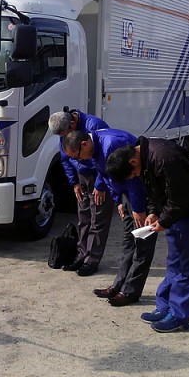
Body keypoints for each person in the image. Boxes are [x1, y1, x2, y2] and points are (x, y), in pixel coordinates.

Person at [106, 136, 189, 333]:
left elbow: (179, 199)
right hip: (176, 215)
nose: (135, 177)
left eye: (133, 174)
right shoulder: (145, 158)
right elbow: (153, 190)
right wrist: (154, 212)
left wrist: (163, 221)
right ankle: (164, 307)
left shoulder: (165, 158)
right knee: (174, 263)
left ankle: (179, 316)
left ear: (132, 162)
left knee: (187, 267)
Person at [61, 128, 150, 299]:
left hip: (140, 194)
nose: (79, 161)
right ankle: (119, 285)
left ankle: (130, 291)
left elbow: (133, 179)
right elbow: (106, 175)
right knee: (128, 240)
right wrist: (118, 201)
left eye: (78, 156)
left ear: (84, 144)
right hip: (127, 196)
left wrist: (138, 209)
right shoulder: (95, 150)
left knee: (141, 243)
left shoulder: (112, 144)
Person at [48, 110, 110, 277]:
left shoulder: (95, 126)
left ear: (73, 124)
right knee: (84, 216)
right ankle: (81, 254)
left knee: (98, 218)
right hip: (82, 176)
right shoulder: (65, 132)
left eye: (65, 133)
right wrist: (74, 183)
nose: (63, 137)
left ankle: (92, 260)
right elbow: (66, 158)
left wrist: (100, 185)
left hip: (98, 175)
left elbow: (106, 159)